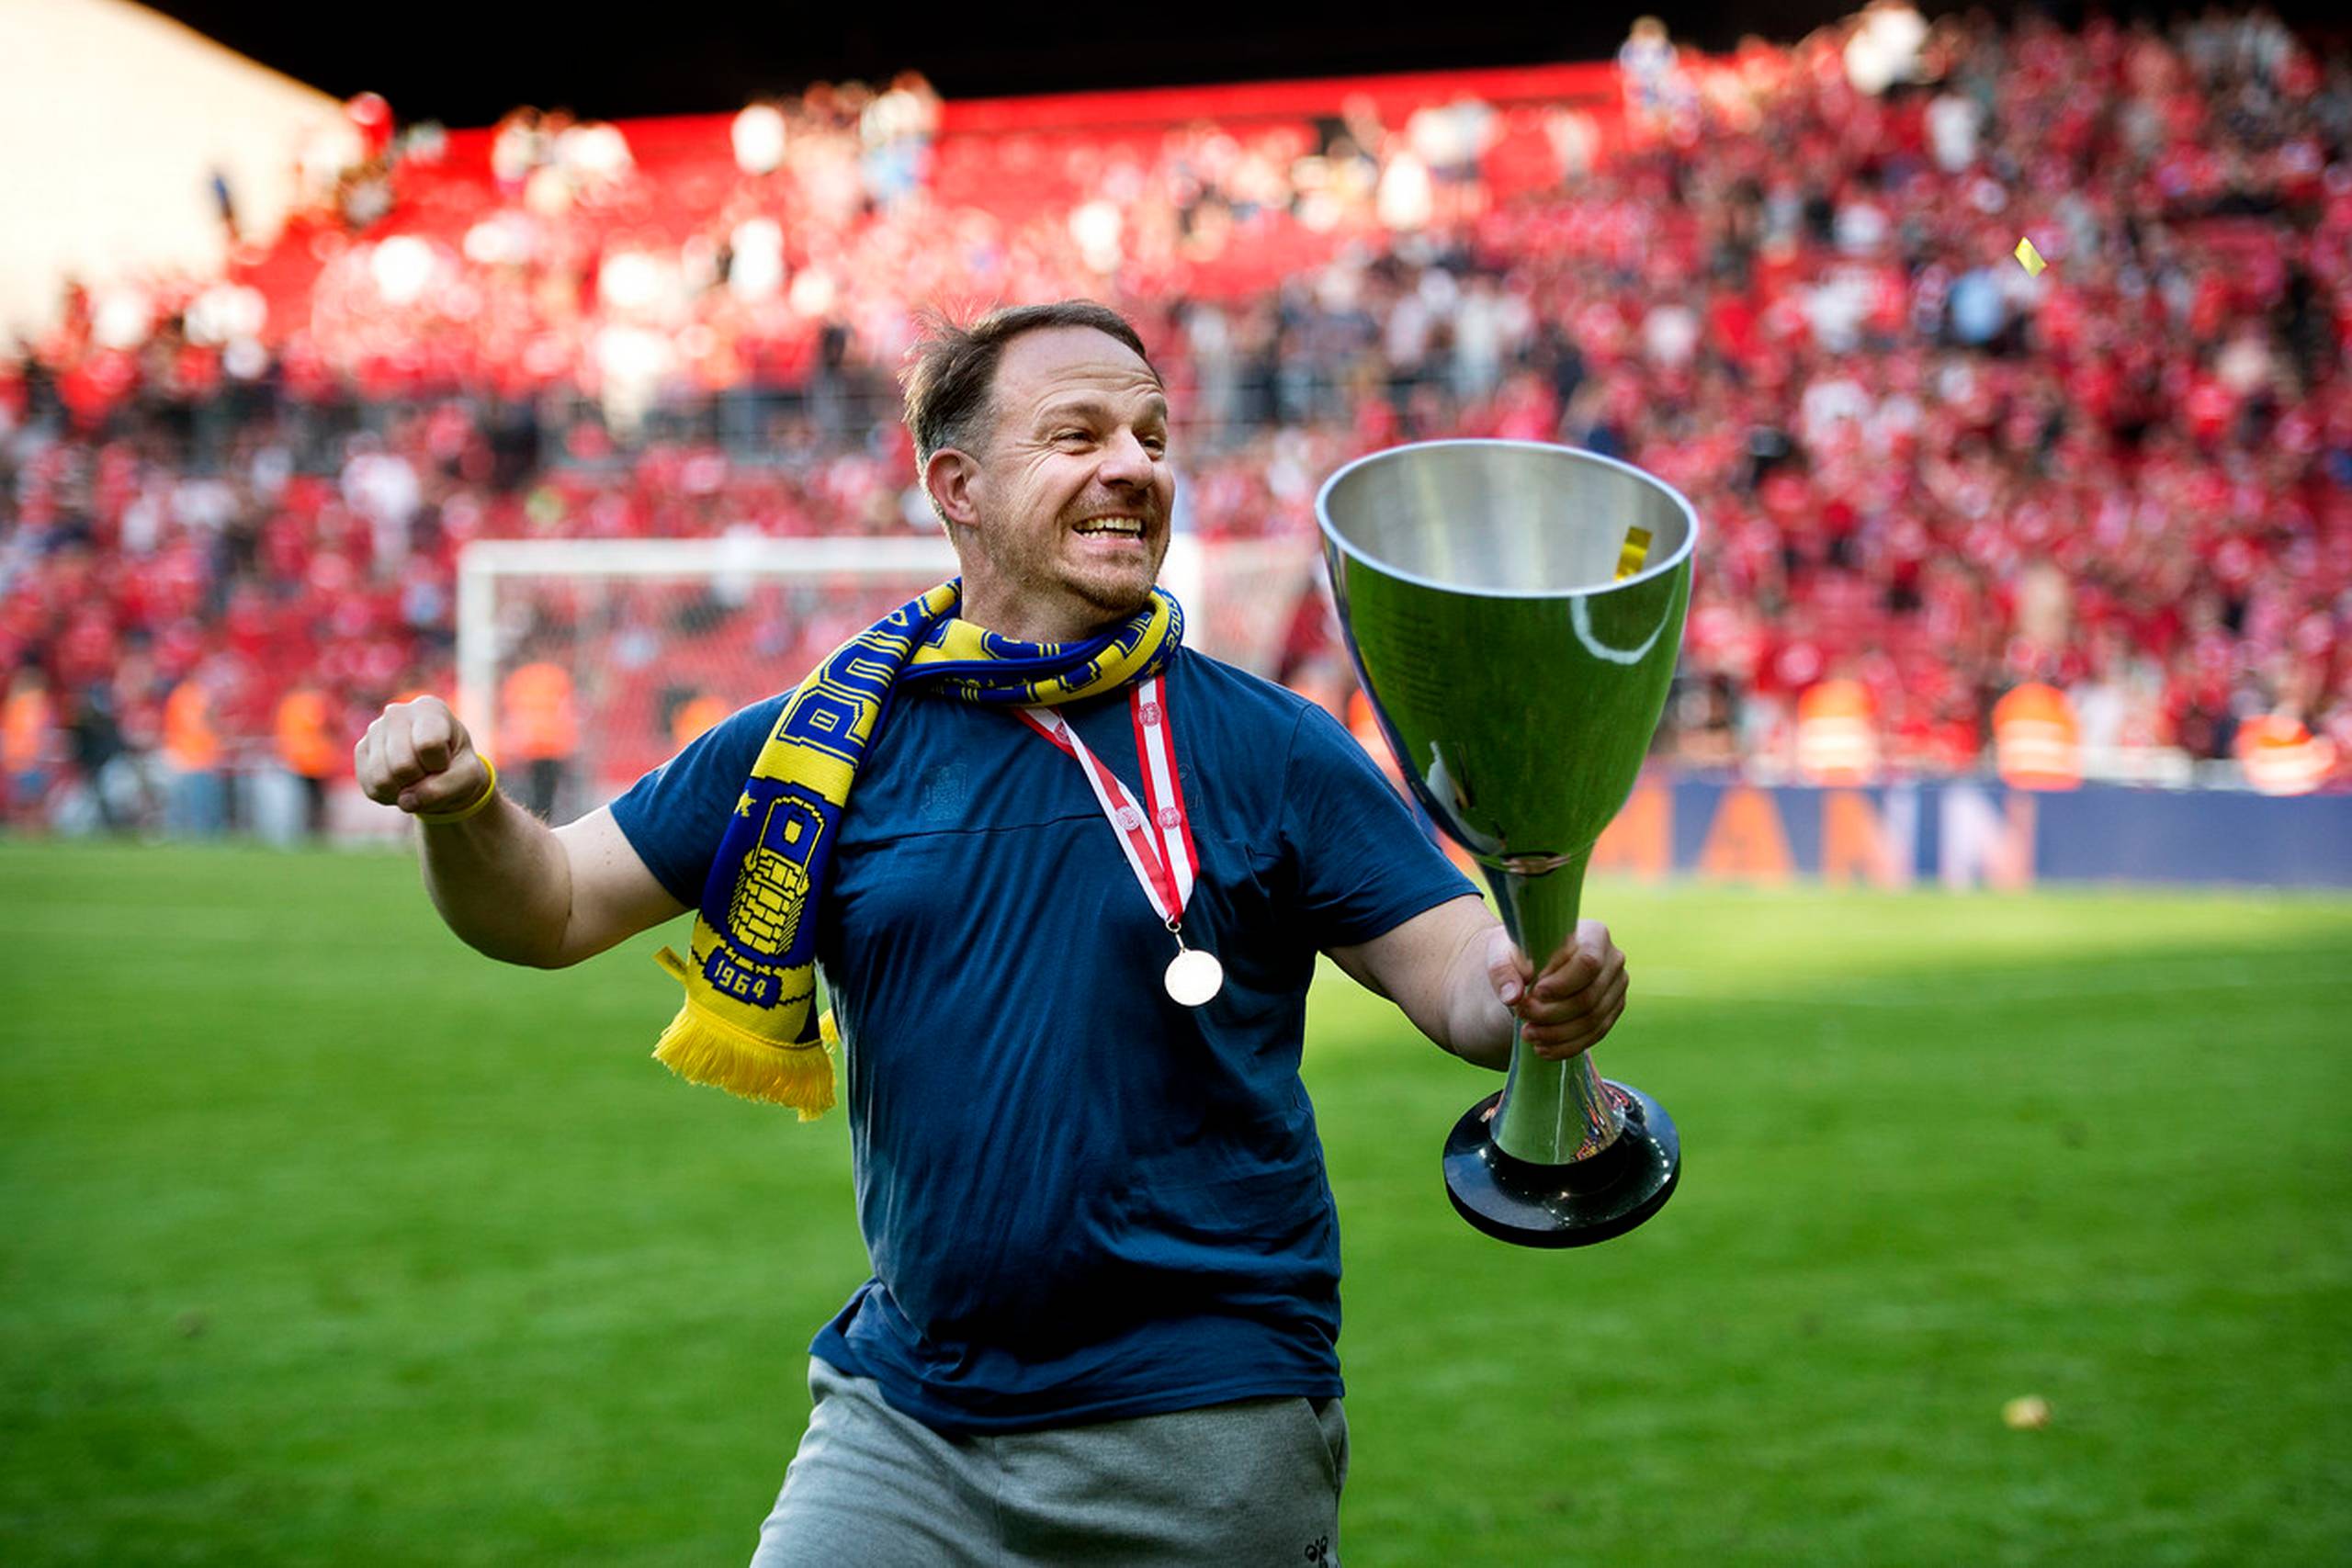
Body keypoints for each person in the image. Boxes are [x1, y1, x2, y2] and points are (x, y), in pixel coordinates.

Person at [353, 301, 1633, 1566]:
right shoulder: (817, 748)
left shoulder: (1268, 743)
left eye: (1150, 434)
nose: (1133, 465)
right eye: (1077, 436)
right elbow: (552, 905)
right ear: (957, 485)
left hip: (1203, 1423)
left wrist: (1532, 984)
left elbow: (1460, 975)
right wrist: (467, 805)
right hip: (909, 1419)